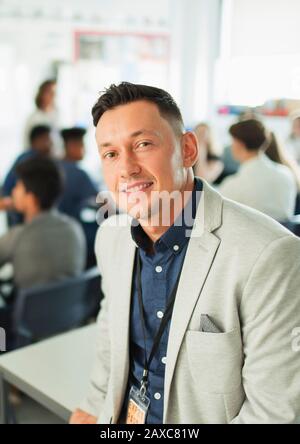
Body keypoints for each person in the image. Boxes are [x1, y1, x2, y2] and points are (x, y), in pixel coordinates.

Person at [70, 82, 300, 424]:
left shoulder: (267, 255)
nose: (127, 169)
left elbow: (273, 414)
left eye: (143, 144)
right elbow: (111, 340)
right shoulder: (111, 239)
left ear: (188, 149)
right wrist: (92, 405)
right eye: (111, 154)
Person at [0, 157, 86, 290]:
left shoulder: (17, 237)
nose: (13, 191)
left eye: (18, 186)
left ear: (31, 198)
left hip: (27, 310)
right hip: (68, 310)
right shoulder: (74, 228)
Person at [218, 119, 297, 221]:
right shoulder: (286, 174)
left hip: (248, 236)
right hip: (285, 235)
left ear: (239, 144)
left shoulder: (233, 185)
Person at [58, 127, 98, 220]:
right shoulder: (78, 174)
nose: (84, 150)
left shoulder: (56, 167)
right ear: (71, 146)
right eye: (81, 145)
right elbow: (99, 199)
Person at [2, 125, 53, 198]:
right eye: (47, 139)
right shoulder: (29, 159)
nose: (51, 143)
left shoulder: (33, 156)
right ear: (37, 140)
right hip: (13, 201)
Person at [23, 79, 61, 154]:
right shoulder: (34, 118)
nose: (53, 96)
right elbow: (27, 144)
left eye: (54, 93)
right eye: (50, 93)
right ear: (42, 94)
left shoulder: (57, 115)